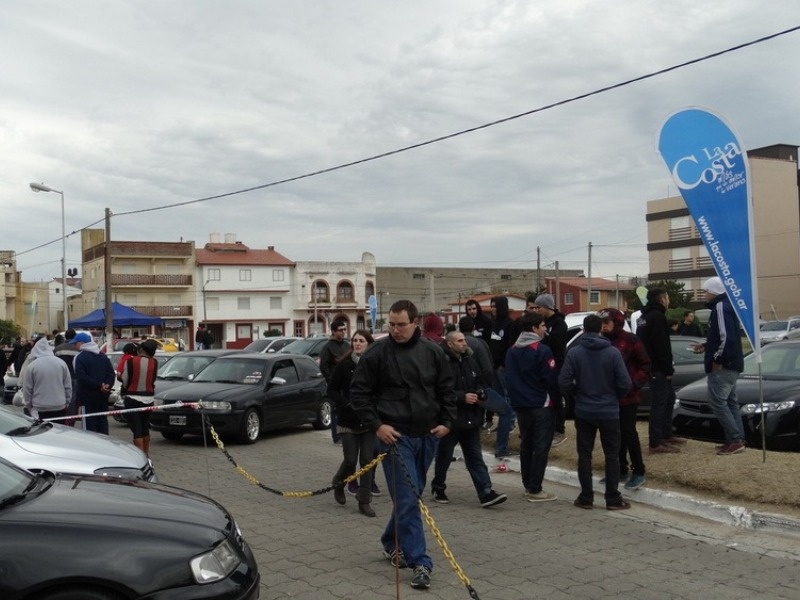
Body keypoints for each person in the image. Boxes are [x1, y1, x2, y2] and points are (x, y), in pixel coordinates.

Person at [350, 299, 456, 591]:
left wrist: (447, 421)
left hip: (428, 435)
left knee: (411, 496)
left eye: (401, 325)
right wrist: (377, 425)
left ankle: (389, 541)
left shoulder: (434, 352)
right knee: (408, 499)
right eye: (391, 325)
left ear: (415, 323)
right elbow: (358, 394)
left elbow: (447, 389)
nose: (395, 330)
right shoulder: (376, 354)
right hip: (394, 438)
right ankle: (420, 561)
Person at [560, 314, 632, 510]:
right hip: (609, 410)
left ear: (583, 329)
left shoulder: (575, 353)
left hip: (584, 410)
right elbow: (625, 383)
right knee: (612, 455)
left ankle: (586, 497)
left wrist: (578, 394)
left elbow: (564, 381)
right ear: (601, 328)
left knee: (585, 454)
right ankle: (612, 498)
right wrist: (614, 396)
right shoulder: (613, 353)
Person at [431, 330, 507, 508]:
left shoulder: (469, 360)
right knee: (444, 456)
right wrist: (461, 397)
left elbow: (479, 380)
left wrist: (480, 391)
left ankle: (486, 492)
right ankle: (438, 486)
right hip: (450, 419)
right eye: (460, 340)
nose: (464, 343)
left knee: (474, 457)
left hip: (471, 418)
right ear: (450, 344)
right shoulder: (443, 363)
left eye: (464, 340)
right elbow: (440, 391)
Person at [505, 313, 560, 502]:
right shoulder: (541, 350)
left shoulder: (512, 350)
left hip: (521, 406)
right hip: (541, 405)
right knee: (541, 448)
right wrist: (556, 400)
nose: (545, 329)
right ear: (534, 328)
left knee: (526, 446)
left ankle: (528, 484)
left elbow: (509, 380)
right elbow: (550, 379)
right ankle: (535, 489)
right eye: (543, 326)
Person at [693, 277, 746, 455]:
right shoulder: (725, 306)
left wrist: (717, 359)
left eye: (706, 291)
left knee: (717, 402)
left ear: (714, 291)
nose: (704, 294)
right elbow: (722, 336)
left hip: (724, 364)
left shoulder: (720, 307)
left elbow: (727, 337)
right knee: (731, 402)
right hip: (732, 363)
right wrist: (707, 346)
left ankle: (735, 439)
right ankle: (737, 439)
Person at [599, 308, 651, 490]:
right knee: (613, 435)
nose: (603, 327)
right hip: (608, 398)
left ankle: (639, 471)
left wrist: (633, 383)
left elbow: (645, 364)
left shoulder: (630, 339)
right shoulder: (601, 341)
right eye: (601, 323)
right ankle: (620, 469)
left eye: (606, 323)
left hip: (628, 397)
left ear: (617, 322)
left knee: (629, 433)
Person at [330, 330, 378, 517]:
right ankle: (338, 482)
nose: (357, 344)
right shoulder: (344, 365)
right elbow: (332, 390)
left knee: (367, 461)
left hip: (368, 420)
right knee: (350, 460)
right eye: (355, 341)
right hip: (347, 420)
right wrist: (346, 404)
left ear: (368, 344)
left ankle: (364, 500)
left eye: (361, 341)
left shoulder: (374, 364)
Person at [636, 288, 680, 454]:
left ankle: (666, 434)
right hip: (657, 368)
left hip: (651, 365)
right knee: (659, 403)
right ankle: (655, 442)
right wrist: (667, 368)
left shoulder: (643, 317)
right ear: (662, 299)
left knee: (669, 399)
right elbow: (661, 346)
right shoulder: (657, 317)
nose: (669, 301)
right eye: (668, 297)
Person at [532, 293, 569, 447]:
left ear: (547, 307)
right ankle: (548, 427)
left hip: (557, 365)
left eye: (538, 307)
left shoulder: (559, 323)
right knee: (547, 398)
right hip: (545, 364)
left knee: (556, 398)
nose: (536, 310)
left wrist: (543, 334)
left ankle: (559, 430)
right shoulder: (543, 322)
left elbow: (556, 343)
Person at [488, 295, 516, 458]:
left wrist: (502, 363)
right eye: (491, 306)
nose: (492, 309)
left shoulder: (509, 324)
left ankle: (510, 421)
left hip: (503, 367)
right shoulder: (493, 324)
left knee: (507, 396)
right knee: (498, 397)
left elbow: (508, 346)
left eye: (495, 306)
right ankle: (502, 422)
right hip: (493, 367)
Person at [121, 339, 160, 455]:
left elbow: (125, 379)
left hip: (133, 398)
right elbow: (153, 379)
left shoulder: (131, 361)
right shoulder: (155, 362)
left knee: (136, 428)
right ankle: (146, 454)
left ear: (141, 349)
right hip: (149, 399)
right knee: (144, 427)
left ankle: (140, 455)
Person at [73, 332, 116, 434]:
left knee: (89, 427)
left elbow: (82, 377)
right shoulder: (103, 356)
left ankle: (92, 449)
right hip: (103, 397)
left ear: (81, 343)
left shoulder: (79, 358)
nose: (74, 346)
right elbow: (111, 373)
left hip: (87, 398)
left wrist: (98, 385)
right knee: (102, 423)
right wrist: (107, 385)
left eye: (75, 343)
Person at [20, 337, 72, 420]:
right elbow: (67, 385)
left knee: (42, 431)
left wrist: (28, 405)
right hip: (59, 405)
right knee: (58, 430)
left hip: (39, 407)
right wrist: (67, 401)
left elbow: (27, 389)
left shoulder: (32, 366)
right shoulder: (61, 363)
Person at [319, 318, 350, 444]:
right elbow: (323, 366)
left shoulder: (347, 345)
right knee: (336, 409)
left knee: (346, 407)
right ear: (333, 331)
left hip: (347, 384)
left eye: (344, 330)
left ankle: (346, 433)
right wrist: (332, 381)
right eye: (340, 330)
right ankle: (337, 436)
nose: (343, 332)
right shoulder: (327, 347)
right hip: (335, 385)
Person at [54, 329, 81, 426]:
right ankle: (70, 422)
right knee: (73, 400)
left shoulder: (57, 349)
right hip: (74, 377)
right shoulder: (77, 349)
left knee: (60, 398)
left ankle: (61, 419)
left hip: (60, 378)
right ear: (74, 337)